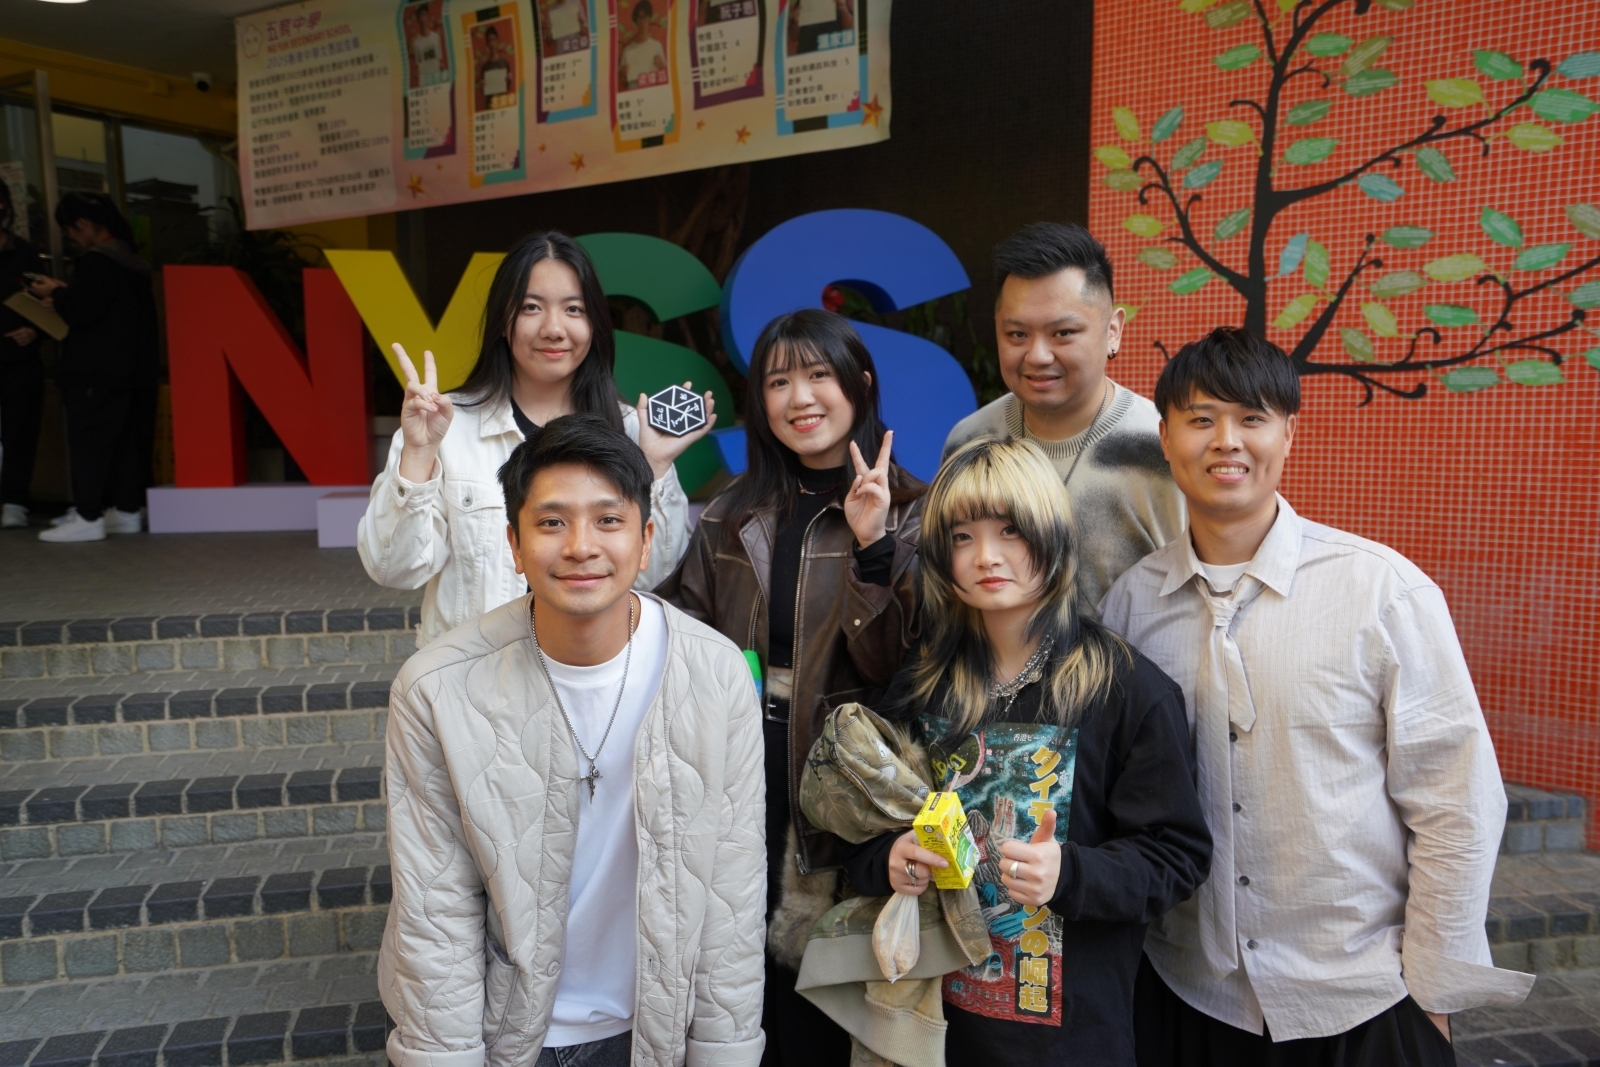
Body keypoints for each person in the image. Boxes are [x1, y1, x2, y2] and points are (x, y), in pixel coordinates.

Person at [1098, 327, 1534, 1067]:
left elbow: (1457, 799)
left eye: (1252, 418)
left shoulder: (1381, 591)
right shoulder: (1131, 607)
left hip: (1360, 994)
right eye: (1201, 419)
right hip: (1187, 993)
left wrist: (1433, 987)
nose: (1226, 441)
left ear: (1289, 434)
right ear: (1165, 437)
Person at [381, 414, 766, 1067]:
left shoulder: (715, 672)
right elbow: (434, 904)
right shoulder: (437, 688)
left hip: (651, 1032)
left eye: (608, 520)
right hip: (505, 1035)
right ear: (514, 543)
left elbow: (733, 890)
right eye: (552, 522)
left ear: (646, 540)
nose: (581, 546)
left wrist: (722, 1051)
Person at [839, 436, 1211, 1066]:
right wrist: (890, 859)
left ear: (1052, 534)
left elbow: (1178, 855)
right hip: (929, 1031)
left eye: (1010, 531)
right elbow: (863, 829)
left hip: (1069, 1043)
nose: (986, 556)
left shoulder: (1126, 689)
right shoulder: (923, 683)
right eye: (962, 537)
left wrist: (1072, 874)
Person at [656, 309, 923, 1067]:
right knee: (738, 964)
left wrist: (874, 547)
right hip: (741, 759)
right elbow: (681, 629)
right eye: (778, 382)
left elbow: (899, 667)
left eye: (817, 375)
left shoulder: (914, 508)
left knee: (826, 983)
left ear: (859, 385)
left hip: (845, 776)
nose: (799, 397)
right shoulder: (731, 512)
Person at [359, 230, 709, 647]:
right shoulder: (444, 427)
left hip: (593, 673)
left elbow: (660, 578)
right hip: (476, 674)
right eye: (531, 307)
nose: (554, 329)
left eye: (574, 309)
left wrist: (655, 467)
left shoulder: (633, 430)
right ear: (502, 321)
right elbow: (394, 570)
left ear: (595, 324)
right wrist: (418, 454)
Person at [942, 222, 1185, 614]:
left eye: (1063, 333)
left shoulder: (1164, 446)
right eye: (1017, 335)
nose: (1037, 355)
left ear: (1113, 331)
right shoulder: (970, 441)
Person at [29, 192, 158, 543]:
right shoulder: (133, 262)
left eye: (70, 231)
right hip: (133, 373)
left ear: (83, 224)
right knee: (126, 445)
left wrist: (57, 294)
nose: (72, 238)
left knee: (90, 444)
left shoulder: (97, 262)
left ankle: (88, 515)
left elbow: (82, 313)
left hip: (95, 372)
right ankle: (127, 512)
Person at [0, 181, 46, 529]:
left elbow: (47, 302)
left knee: (19, 431)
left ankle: (14, 501)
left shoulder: (24, 252)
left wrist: (35, 331)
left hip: (19, 357)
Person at [619, 1, 667, 89]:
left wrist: (662, 67)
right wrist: (623, 74)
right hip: (634, 93)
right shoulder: (627, 50)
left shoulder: (657, 46)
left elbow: (664, 77)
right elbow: (624, 81)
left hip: (653, 92)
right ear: (635, 21)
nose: (643, 22)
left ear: (649, 19)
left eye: (646, 18)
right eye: (640, 18)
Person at [409, 3, 446, 84]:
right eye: (420, 16)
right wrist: (417, 73)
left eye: (424, 15)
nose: (422, 18)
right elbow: (419, 64)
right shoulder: (416, 42)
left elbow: (439, 59)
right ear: (417, 19)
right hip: (425, 79)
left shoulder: (436, 37)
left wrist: (442, 67)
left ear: (427, 16)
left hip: (437, 77)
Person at [477, 24, 514, 99]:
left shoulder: (505, 63)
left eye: (493, 40)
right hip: (490, 103)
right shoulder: (485, 67)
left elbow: (507, 87)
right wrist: (481, 87)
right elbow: (484, 92)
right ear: (487, 44)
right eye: (489, 41)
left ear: (497, 41)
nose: (492, 44)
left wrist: (510, 80)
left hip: (502, 101)